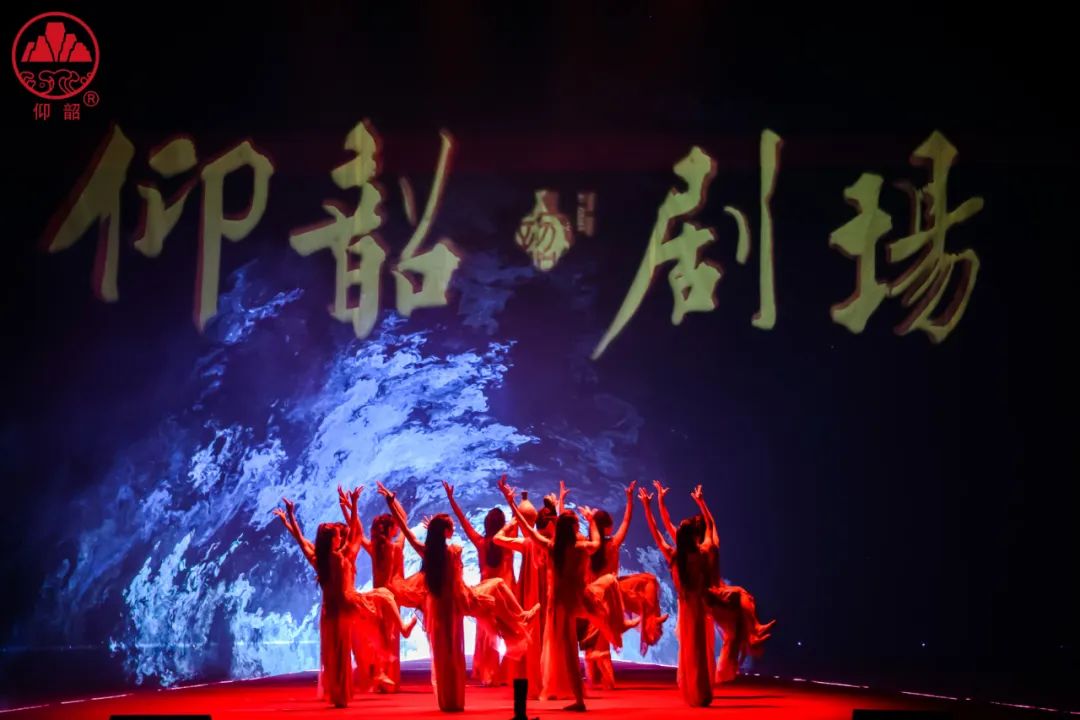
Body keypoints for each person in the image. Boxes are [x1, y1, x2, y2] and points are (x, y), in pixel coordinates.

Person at [377, 481, 537, 712]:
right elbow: (408, 534)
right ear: (445, 531)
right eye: (450, 526)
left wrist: (392, 505)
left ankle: (448, 701)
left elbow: (407, 534)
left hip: (443, 606)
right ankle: (520, 617)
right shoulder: (450, 552)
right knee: (453, 651)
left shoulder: (433, 552)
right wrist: (392, 504)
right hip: (454, 604)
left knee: (443, 653)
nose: (453, 528)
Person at [499, 476, 637, 711]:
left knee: (607, 586)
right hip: (575, 602)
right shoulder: (576, 548)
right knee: (607, 587)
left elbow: (530, 531)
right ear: (572, 529)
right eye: (576, 525)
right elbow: (595, 542)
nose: (578, 527)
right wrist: (592, 522)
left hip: (568, 603)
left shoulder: (554, 548)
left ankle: (616, 625)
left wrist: (511, 502)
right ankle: (614, 627)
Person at [273, 489, 415, 707]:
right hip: (346, 606)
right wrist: (353, 504)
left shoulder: (319, 559)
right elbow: (356, 532)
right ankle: (362, 680)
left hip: (329, 611)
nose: (341, 537)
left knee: (336, 651)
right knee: (376, 612)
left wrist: (289, 519)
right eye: (338, 535)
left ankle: (345, 689)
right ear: (332, 540)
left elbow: (302, 541)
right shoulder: (342, 557)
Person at [653, 481, 775, 683]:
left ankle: (750, 634)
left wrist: (659, 502)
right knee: (739, 599)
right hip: (709, 596)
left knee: (739, 609)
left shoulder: (703, 548)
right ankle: (750, 634)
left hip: (712, 594)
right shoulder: (704, 548)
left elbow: (667, 526)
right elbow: (708, 524)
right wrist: (700, 502)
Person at [580, 481, 668, 690]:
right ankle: (648, 620)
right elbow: (627, 521)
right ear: (606, 527)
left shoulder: (588, 546)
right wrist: (629, 500)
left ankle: (649, 620)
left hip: (597, 593)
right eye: (610, 523)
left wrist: (590, 520)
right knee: (647, 583)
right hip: (610, 592)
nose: (613, 525)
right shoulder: (612, 543)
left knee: (599, 635)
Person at [638, 486, 714, 707]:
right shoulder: (701, 553)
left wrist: (648, 507)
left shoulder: (674, 555)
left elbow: (656, 531)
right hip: (698, 607)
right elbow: (710, 528)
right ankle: (701, 691)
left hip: (685, 608)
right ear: (695, 536)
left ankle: (694, 690)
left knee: (689, 650)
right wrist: (702, 504)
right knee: (698, 650)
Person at [444, 481, 517, 686]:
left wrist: (451, 499)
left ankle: (488, 673)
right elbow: (517, 520)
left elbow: (463, 521)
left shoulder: (480, 542)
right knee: (511, 634)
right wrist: (510, 500)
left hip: (486, 594)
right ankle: (508, 671)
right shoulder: (507, 541)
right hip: (506, 592)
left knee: (486, 636)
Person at [494, 491, 557, 701]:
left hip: (533, 595)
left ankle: (536, 680)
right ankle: (546, 681)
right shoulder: (550, 544)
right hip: (545, 595)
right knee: (546, 635)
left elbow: (497, 538)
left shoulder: (530, 543)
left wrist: (510, 523)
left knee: (535, 636)